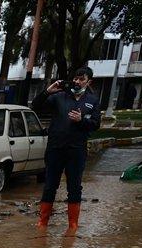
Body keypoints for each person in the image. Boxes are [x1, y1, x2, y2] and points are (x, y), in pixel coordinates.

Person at [33, 66, 101, 236]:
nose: (77, 82)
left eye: (81, 79)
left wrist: (81, 121)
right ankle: (43, 222)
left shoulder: (92, 101)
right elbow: (36, 107)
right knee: (50, 186)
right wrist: (47, 92)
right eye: (76, 79)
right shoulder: (59, 97)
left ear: (88, 81)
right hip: (55, 149)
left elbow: (95, 124)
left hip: (76, 151)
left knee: (75, 187)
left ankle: (72, 225)